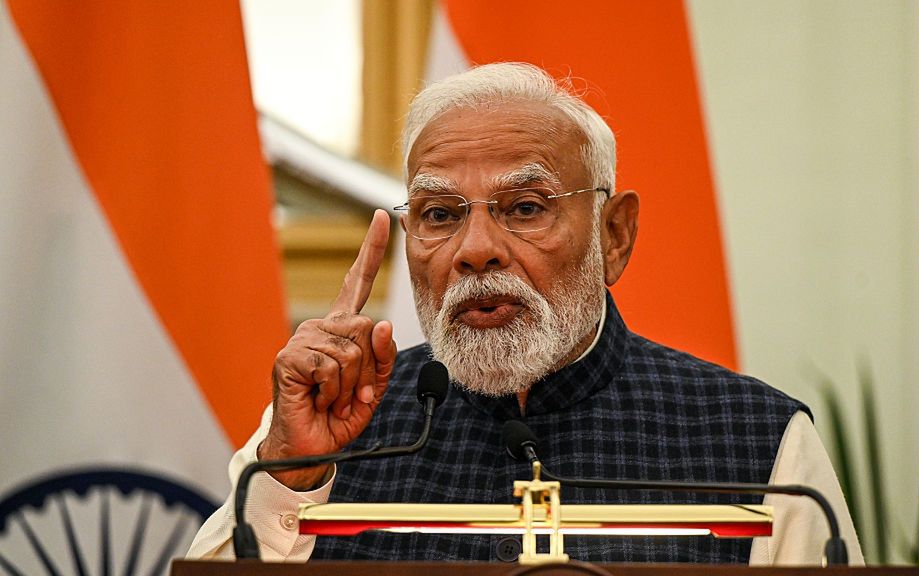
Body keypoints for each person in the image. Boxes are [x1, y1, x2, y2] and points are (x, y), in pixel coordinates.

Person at [188, 62, 862, 565]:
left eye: (525, 208)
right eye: (441, 215)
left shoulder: (758, 442)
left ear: (614, 235)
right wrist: (292, 473)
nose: (475, 250)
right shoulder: (334, 424)